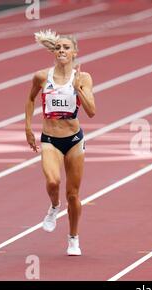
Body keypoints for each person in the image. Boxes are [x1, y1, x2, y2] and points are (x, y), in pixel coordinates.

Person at [25, 29, 96, 256]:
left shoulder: (83, 78)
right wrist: (28, 127)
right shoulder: (42, 77)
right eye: (58, 48)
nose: (62, 51)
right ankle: (54, 207)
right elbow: (30, 99)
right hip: (50, 139)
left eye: (66, 48)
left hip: (74, 140)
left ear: (75, 52)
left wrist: (78, 91)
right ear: (54, 52)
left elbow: (92, 112)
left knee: (73, 194)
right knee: (53, 181)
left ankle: (73, 238)